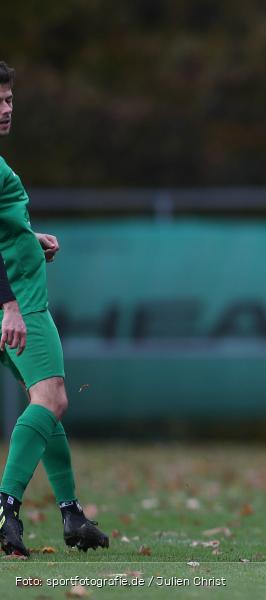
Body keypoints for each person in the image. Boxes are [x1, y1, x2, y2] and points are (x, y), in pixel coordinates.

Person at [0, 61, 109, 557]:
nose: (5, 110)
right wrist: (10, 305)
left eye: (9, 101)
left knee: (46, 403)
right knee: (53, 400)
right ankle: (6, 508)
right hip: (20, 302)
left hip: (15, 292)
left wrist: (28, 238)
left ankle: (71, 515)